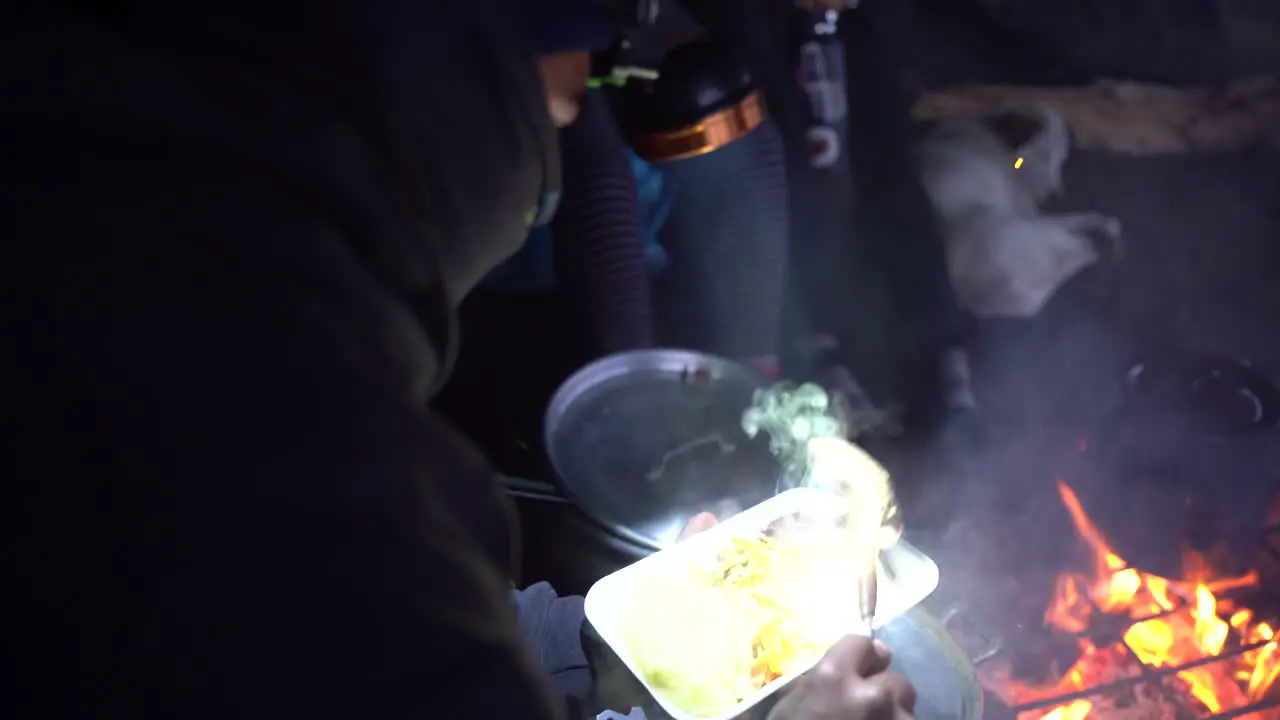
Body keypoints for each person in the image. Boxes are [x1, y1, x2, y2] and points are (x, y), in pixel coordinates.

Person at [8, 2, 918, 719]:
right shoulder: (306, 473)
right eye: (565, 106)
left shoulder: (119, 244)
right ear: (439, 77)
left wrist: (606, 640)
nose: (550, 167)